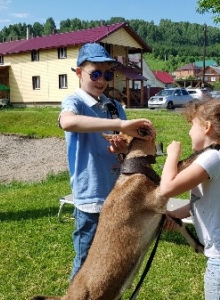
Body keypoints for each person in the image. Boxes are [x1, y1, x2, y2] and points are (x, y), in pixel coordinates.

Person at [58, 42, 154, 280]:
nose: (102, 80)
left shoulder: (113, 107)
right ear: (79, 73)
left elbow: (123, 150)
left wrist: (122, 148)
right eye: (96, 74)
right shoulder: (75, 102)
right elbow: (68, 122)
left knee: (110, 258)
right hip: (91, 197)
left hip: (116, 194)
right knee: (85, 261)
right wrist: (120, 125)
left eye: (108, 74)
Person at [160, 98, 220, 300]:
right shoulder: (216, 156)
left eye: (191, 125)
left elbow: (166, 188)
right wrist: (173, 215)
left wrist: (172, 154)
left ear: (206, 127)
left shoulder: (211, 159)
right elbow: (202, 201)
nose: (189, 132)